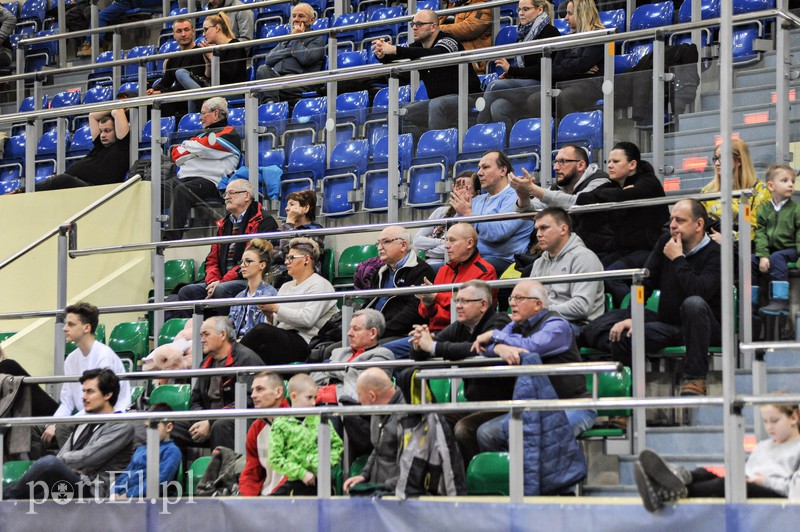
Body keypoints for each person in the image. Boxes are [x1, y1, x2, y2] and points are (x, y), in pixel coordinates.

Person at [585, 199, 721, 397]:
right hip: (669, 323)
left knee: (693, 304)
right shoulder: (666, 242)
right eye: (671, 219)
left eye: (680, 221)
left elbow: (698, 291)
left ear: (699, 224)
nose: (672, 225)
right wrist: (634, 317)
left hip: (704, 327)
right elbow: (643, 283)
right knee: (623, 335)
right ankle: (628, 400)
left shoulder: (715, 254)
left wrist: (678, 259)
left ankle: (695, 380)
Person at [472, 280, 596, 446]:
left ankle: (541, 472)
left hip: (572, 405)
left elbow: (532, 347)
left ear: (537, 304)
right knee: (487, 433)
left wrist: (497, 336)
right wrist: (498, 348)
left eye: (519, 298)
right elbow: (483, 347)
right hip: (534, 408)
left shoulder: (557, 325)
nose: (512, 303)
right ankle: (514, 471)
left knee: (542, 437)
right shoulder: (514, 325)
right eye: (511, 298)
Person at [406, 280, 512, 465]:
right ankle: (446, 480)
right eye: (457, 301)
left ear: (483, 305)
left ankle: (473, 481)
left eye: (465, 301)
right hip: (476, 405)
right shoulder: (460, 327)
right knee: (432, 421)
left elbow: (476, 349)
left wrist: (433, 346)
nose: (459, 306)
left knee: (464, 428)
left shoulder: (500, 321)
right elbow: (427, 350)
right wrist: (419, 343)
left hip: (503, 405)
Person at [634, 401, 800, 512]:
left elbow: (795, 492)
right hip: (749, 483)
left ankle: (670, 491)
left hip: (778, 497)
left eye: (774, 420)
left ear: (794, 418)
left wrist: (764, 481)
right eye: (765, 421)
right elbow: (748, 471)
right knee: (703, 473)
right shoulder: (763, 446)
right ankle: (678, 478)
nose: (769, 426)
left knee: (726, 485)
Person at [4, 369, 135, 500]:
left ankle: (4, 498)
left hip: (95, 490)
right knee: (32, 496)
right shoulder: (85, 421)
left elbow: (87, 459)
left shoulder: (121, 426)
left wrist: (60, 463)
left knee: (49, 464)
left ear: (107, 395)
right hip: (74, 480)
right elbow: (66, 454)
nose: (84, 396)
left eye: (90, 391)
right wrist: (65, 464)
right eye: (83, 391)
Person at [574, 141, 668, 306]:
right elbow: (583, 198)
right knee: (592, 272)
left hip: (650, 248)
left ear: (632, 164)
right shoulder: (613, 185)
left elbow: (633, 194)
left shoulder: (649, 181)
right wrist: (620, 193)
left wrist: (620, 195)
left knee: (612, 276)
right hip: (624, 249)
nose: (610, 166)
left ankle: (634, 314)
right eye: (609, 161)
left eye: (616, 162)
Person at [167, 179, 278, 317]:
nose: (227, 197)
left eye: (232, 193)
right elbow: (212, 258)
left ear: (247, 196)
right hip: (222, 280)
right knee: (187, 291)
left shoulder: (264, 221)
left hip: (249, 278)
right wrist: (213, 280)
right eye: (226, 194)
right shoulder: (224, 224)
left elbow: (254, 259)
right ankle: (199, 332)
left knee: (222, 290)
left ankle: (227, 330)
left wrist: (221, 282)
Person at [372, 9, 482, 141]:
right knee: (398, 114)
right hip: (437, 103)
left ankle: (437, 148)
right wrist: (382, 53)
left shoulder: (448, 40)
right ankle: (423, 144)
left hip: (468, 98)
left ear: (433, 26)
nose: (414, 28)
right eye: (413, 24)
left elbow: (435, 54)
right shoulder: (419, 45)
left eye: (419, 24)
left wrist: (394, 49)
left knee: (436, 105)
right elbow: (400, 55)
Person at [41, 302, 131, 449]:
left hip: (108, 417)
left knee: (63, 427)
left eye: (70, 324)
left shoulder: (104, 356)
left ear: (86, 328)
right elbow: (67, 402)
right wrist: (52, 423)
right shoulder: (70, 359)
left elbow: (99, 403)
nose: (65, 329)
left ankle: (72, 468)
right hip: (84, 418)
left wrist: (59, 424)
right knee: (32, 429)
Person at [240, 238, 337, 365]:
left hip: (305, 342)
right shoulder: (286, 286)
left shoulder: (320, 284)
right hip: (283, 338)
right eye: (286, 258)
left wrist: (275, 309)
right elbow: (274, 322)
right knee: (256, 354)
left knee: (261, 331)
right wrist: (269, 315)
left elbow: (307, 320)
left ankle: (229, 361)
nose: (286, 262)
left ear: (306, 260)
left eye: (291, 258)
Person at [171, 317, 263, 450]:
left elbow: (249, 400)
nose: (202, 340)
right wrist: (201, 421)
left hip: (241, 421)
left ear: (223, 335)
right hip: (209, 421)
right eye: (201, 335)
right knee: (168, 426)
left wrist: (210, 422)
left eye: (206, 334)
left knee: (221, 425)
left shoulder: (246, 359)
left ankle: (223, 470)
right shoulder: (206, 363)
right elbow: (195, 401)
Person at [510, 144, 610, 255]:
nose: (556, 168)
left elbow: (578, 203)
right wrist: (524, 197)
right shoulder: (559, 186)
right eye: (556, 162)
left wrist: (533, 189)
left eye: (562, 162)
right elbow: (533, 211)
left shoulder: (600, 181)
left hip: (597, 250)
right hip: (564, 250)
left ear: (581, 165)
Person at [476, 0, 561, 129]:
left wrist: (512, 70)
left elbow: (543, 70)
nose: (521, 13)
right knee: (498, 106)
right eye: (519, 10)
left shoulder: (550, 32)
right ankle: (506, 146)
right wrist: (511, 75)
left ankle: (478, 131)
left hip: (543, 85)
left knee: (494, 86)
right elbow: (524, 68)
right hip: (526, 85)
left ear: (539, 9)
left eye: (526, 9)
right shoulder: (523, 34)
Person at [450, 150, 534, 275]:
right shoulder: (477, 200)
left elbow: (498, 234)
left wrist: (468, 215)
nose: (479, 173)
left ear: (503, 170)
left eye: (486, 167)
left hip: (505, 261)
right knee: (430, 270)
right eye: (479, 168)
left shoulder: (517, 197)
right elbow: (455, 233)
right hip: (474, 258)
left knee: (469, 271)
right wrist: (459, 209)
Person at [168, 96, 243, 237]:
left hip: (212, 182)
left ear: (215, 113)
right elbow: (177, 153)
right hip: (187, 178)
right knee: (157, 188)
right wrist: (199, 149)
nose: (200, 118)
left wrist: (191, 148)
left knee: (182, 190)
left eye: (203, 113)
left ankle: (171, 239)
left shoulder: (229, 134)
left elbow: (204, 147)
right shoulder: (200, 134)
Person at [521, 0, 605, 123]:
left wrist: (570, 65)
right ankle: (547, 137)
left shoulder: (598, 36)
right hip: (563, 84)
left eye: (570, 14)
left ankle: (569, 136)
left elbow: (583, 63)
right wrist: (577, 67)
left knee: (566, 96)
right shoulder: (566, 38)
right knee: (535, 99)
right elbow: (554, 70)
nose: (565, 18)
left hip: (589, 85)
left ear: (582, 14)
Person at [530, 207, 605, 332]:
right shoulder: (539, 263)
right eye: (537, 229)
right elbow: (531, 299)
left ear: (563, 229)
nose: (538, 234)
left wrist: (540, 311)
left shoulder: (584, 258)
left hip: (578, 325)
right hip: (544, 322)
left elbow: (581, 308)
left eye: (544, 228)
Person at [268, 374, 344, 496]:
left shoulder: (321, 420)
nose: (314, 403)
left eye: (315, 397)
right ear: (293, 396)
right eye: (309, 398)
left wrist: (323, 464)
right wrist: (301, 473)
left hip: (320, 480)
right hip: (294, 480)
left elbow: (337, 445)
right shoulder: (280, 424)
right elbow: (275, 458)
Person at [363, 226, 435, 339]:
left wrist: (380, 332)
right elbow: (368, 303)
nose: (379, 247)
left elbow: (413, 312)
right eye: (378, 243)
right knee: (330, 350)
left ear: (403, 245)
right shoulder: (380, 273)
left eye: (386, 242)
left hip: (402, 334)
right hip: (375, 332)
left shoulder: (422, 271)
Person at [342, 368, 407, 493]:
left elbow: (408, 472)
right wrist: (364, 475)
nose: (358, 401)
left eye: (360, 395)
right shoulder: (378, 408)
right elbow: (378, 448)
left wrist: (380, 490)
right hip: (378, 490)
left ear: (372, 396)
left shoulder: (406, 419)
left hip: (395, 496)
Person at [310, 309, 393, 405]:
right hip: (315, 402)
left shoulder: (383, 355)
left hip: (344, 408)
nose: (349, 333)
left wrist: (330, 366)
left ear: (372, 333)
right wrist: (344, 374)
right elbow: (314, 378)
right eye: (350, 328)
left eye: (356, 329)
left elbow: (362, 380)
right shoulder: (338, 352)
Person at [34, 109, 130, 191]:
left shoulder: (121, 147)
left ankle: (25, 190)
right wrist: (112, 109)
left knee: (62, 180)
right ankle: (25, 190)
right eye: (101, 131)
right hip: (79, 185)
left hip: (94, 190)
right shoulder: (100, 146)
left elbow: (117, 112)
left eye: (107, 131)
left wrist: (119, 108)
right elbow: (92, 116)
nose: (103, 135)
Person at [255, 2, 326, 106]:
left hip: (301, 82)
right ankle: (270, 105)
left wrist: (295, 38)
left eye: (301, 16)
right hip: (279, 79)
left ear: (312, 20)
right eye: (294, 16)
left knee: (265, 89)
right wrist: (290, 50)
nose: (296, 19)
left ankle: (270, 106)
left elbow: (305, 58)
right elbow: (269, 59)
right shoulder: (287, 38)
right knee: (263, 69)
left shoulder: (317, 39)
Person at [702, 138, 771, 244]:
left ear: (739, 160)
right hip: (709, 246)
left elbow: (757, 229)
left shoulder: (761, 191)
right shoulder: (708, 191)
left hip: (743, 250)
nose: (716, 163)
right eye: (715, 158)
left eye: (722, 158)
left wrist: (727, 239)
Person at [108, 403, 182, 500]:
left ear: (168, 427)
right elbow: (126, 474)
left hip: (148, 503)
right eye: (147, 427)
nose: (149, 431)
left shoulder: (172, 451)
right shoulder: (141, 449)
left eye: (154, 427)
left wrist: (127, 495)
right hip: (126, 499)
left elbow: (158, 481)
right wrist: (115, 491)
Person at [752, 164, 800, 310]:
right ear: (771, 186)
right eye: (785, 181)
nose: (791, 184)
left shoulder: (796, 209)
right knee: (751, 260)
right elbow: (760, 234)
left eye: (792, 181)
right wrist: (762, 255)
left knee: (777, 257)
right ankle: (752, 301)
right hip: (772, 251)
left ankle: (780, 300)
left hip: (791, 250)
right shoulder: (764, 210)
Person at [173, 13, 247, 106]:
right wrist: (208, 62)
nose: (203, 34)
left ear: (217, 28)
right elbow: (208, 78)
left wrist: (212, 58)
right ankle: (204, 99)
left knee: (194, 96)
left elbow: (230, 76)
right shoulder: (214, 49)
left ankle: (204, 99)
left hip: (232, 92)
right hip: (214, 90)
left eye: (206, 29)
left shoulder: (236, 46)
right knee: (182, 75)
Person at [413, 171, 480, 266]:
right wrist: (441, 242)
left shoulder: (474, 215)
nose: (460, 191)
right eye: (458, 187)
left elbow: (457, 249)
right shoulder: (440, 211)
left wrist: (427, 250)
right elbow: (417, 241)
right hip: (427, 262)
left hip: (446, 263)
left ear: (477, 193)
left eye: (465, 188)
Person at [238, 371, 289, 496]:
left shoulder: (297, 424)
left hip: (291, 499)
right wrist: (245, 501)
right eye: (253, 390)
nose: (253, 395)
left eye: (259, 389)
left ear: (278, 392)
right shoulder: (256, 428)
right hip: (264, 500)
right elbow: (251, 473)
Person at [147, 18, 207, 117]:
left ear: (193, 31)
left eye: (186, 30)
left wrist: (161, 92)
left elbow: (191, 84)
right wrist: (153, 90)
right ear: (174, 35)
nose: (183, 34)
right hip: (176, 98)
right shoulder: (173, 58)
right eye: (179, 31)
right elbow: (165, 82)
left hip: (191, 100)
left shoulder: (200, 53)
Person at [270, 189, 325, 288]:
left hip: (301, 280)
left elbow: (289, 253)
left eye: (292, 204)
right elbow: (269, 254)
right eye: (287, 205)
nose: (287, 208)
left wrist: (290, 222)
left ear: (306, 208)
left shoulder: (315, 230)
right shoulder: (283, 228)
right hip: (276, 277)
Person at [228, 238, 278, 338]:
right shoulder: (239, 297)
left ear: (262, 265)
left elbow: (267, 331)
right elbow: (230, 327)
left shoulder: (270, 294)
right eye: (242, 262)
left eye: (248, 261)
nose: (242, 265)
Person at [76, 0, 163, 57]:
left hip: (128, 2)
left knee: (100, 17)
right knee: (91, 12)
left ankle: (96, 45)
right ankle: (91, 43)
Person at [438, 0, 493, 74]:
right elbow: (433, 25)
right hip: (449, 55)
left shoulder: (483, 6)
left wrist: (437, 29)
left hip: (472, 62)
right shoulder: (453, 5)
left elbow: (469, 29)